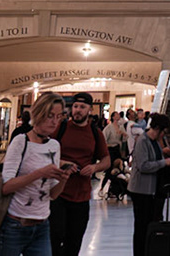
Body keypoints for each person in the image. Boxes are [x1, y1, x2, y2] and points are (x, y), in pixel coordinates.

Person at [0, 91, 70, 256]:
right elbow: (6, 187)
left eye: (58, 116)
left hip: (42, 225)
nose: (54, 122)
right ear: (38, 114)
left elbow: (52, 194)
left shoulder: (54, 145)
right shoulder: (21, 141)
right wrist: (39, 173)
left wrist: (63, 179)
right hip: (15, 225)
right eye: (50, 116)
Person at [50, 92, 111, 256]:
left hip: (82, 195)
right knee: (54, 239)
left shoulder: (95, 133)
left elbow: (106, 160)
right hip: (58, 193)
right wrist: (63, 163)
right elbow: (46, 152)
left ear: (90, 110)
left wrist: (93, 168)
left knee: (74, 241)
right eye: (75, 106)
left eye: (82, 107)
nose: (77, 110)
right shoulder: (60, 128)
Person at [128, 113, 170, 256]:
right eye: (164, 132)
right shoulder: (143, 141)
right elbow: (143, 166)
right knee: (141, 226)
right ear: (158, 128)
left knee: (149, 225)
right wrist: (163, 163)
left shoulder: (154, 142)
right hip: (140, 190)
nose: (163, 135)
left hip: (151, 190)